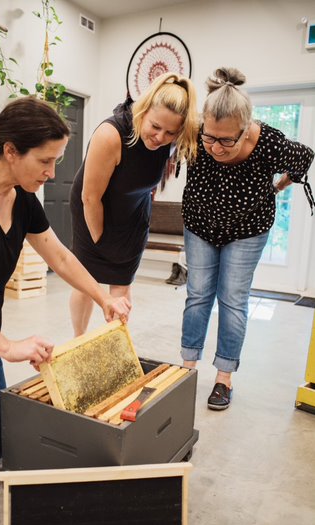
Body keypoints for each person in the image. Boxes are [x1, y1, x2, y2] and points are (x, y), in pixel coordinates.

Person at [0, 97, 131, 492]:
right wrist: (7, 346)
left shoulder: (22, 197)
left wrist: (103, 298)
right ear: (9, 151)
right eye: (45, 161)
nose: (52, 173)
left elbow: (59, 256)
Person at [181, 67, 314, 411]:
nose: (216, 147)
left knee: (233, 299)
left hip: (248, 228)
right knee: (197, 295)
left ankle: (224, 378)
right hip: (199, 223)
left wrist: (281, 185)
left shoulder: (269, 142)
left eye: (227, 140)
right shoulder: (195, 133)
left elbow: (305, 157)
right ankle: (186, 368)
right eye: (210, 137)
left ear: (246, 128)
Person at [69, 72, 199, 336]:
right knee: (86, 281)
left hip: (134, 214)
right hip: (93, 208)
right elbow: (90, 197)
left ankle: (117, 343)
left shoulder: (172, 141)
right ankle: (78, 340)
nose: (160, 137)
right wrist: (100, 239)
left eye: (170, 132)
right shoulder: (111, 134)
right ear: (143, 110)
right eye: (155, 126)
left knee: (122, 281)